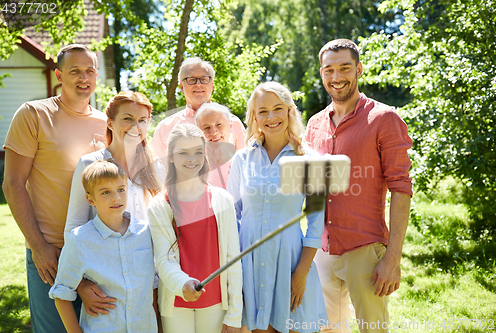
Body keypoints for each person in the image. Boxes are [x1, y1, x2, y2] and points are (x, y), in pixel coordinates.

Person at [304, 39, 413, 333]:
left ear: (359, 69)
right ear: (321, 73)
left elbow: (401, 188)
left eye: (344, 68)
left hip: (364, 248)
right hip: (322, 248)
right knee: (323, 329)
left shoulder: (384, 118)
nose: (336, 77)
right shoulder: (314, 124)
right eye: (329, 70)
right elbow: (313, 187)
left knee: (372, 329)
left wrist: (392, 258)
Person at [2, 44, 107, 332]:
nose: (83, 77)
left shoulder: (105, 123)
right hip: (51, 253)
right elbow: (12, 183)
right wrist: (38, 246)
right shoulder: (34, 114)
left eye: (89, 71)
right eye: (75, 71)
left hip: (98, 252)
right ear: (60, 75)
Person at [227, 82, 327, 333]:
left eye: (277, 109)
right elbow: (232, 217)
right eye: (262, 111)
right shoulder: (242, 158)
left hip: (291, 261)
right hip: (248, 263)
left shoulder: (310, 160)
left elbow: (316, 223)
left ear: (290, 111)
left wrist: (301, 274)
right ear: (254, 117)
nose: (271, 117)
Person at [64, 91, 162, 321]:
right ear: (110, 122)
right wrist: (80, 284)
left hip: (151, 276)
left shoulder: (155, 166)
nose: (135, 126)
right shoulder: (90, 163)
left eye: (142, 120)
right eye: (127, 118)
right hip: (106, 280)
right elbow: (74, 227)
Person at [148, 123, 242, 333]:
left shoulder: (223, 200)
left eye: (198, 152)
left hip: (216, 303)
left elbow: (232, 259)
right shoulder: (159, 205)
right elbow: (163, 260)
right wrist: (183, 284)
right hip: (176, 303)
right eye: (183, 153)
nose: (192, 159)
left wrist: (235, 315)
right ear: (170, 156)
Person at [49, 159, 158, 332]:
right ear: (90, 200)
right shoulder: (80, 240)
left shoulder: (146, 233)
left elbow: (153, 285)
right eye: (105, 192)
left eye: (121, 189)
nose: (116, 197)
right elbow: (62, 294)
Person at [151, 57, 245, 161]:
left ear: (212, 85)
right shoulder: (165, 128)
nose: (198, 84)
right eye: (191, 80)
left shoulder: (233, 123)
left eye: (204, 79)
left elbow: (246, 166)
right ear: (182, 86)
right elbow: (157, 172)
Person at [195, 102, 238, 188]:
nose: (213, 132)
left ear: (230, 127)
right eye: (206, 128)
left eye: (219, 124)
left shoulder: (243, 164)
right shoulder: (195, 170)